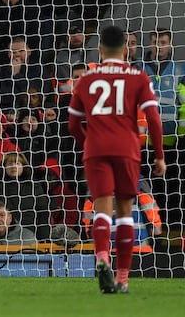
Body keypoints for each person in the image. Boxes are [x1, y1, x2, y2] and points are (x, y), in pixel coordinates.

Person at [67, 24, 166, 294]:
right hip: (127, 151)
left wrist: (88, 144)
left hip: (96, 151)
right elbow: (154, 120)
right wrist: (159, 156)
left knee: (101, 208)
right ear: (125, 49)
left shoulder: (87, 78)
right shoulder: (137, 77)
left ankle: (101, 258)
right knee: (124, 213)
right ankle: (122, 278)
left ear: (100, 50)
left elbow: (73, 124)